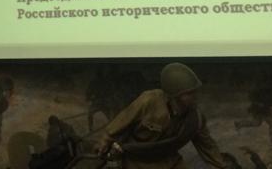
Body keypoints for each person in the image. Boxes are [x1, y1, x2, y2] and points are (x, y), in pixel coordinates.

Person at [97, 62, 228, 169]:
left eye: (194, 92)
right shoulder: (149, 101)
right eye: (189, 93)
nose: (195, 97)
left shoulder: (195, 118)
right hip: (138, 160)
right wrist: (106, 140)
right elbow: (122, 121)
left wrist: (221, 166)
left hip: (169, 160)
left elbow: (207, 145)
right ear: (175, 94)